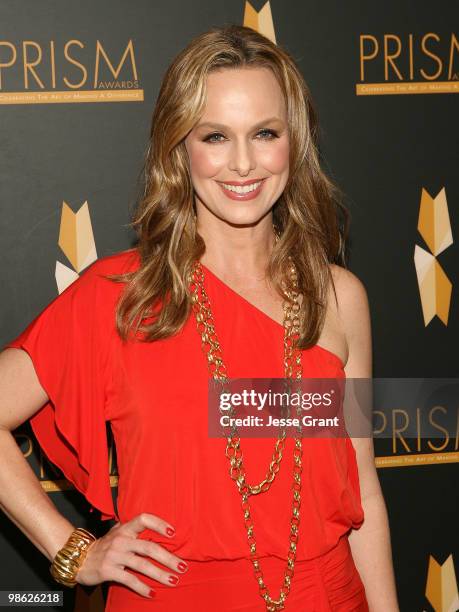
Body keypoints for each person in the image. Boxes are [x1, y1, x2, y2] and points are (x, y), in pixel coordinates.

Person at [0, 24, 399, 611]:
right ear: (180, 150)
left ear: (295, 143)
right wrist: (73, 551)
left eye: (265, 133)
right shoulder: (119, 296)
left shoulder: (338, 298)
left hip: (330, 595)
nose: (243, 164)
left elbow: (361, 485)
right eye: (215, 136)